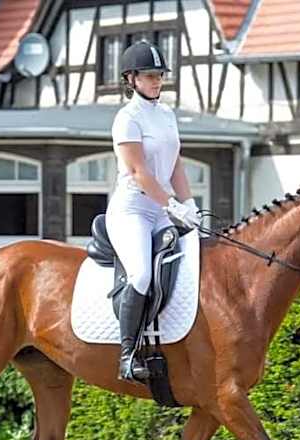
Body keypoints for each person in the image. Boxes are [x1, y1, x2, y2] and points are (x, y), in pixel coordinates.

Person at [107, 40, 201, 382]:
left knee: (199, 257)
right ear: (131, 79)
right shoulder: (127, 118)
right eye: (149, 76)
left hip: (163, 208)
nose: (157, 81)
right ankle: (127, 356)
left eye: (160, 75)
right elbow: (139, 172)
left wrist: (190, 204)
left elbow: (175, 164)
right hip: (133, 210)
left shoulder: (166, 114)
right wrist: (172, 205)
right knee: (143, 276)